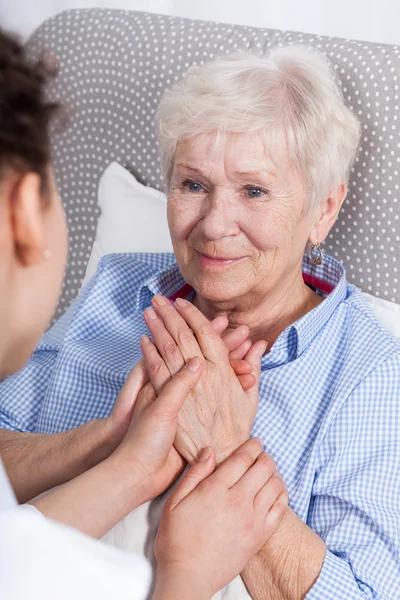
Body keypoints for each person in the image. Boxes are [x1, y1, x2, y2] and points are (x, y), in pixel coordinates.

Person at [1, 41, 400, 598]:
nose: (214, 225)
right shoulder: (116, 291)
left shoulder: (368, 372)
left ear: (325, 209)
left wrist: (227, 453)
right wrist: (103, 442)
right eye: (193, 185)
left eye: (254, 190)